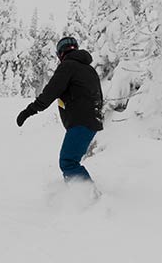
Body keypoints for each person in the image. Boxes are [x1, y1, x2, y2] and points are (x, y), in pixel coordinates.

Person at [16, 36, 103, 183]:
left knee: (68, 162)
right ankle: (79, 196)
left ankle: (88, 197)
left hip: (81, 123)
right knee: (70, 161)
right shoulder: (89, 69)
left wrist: (29, 111)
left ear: (60, 53)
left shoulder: (68, 66)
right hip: (91, 122)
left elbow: (50, 92)